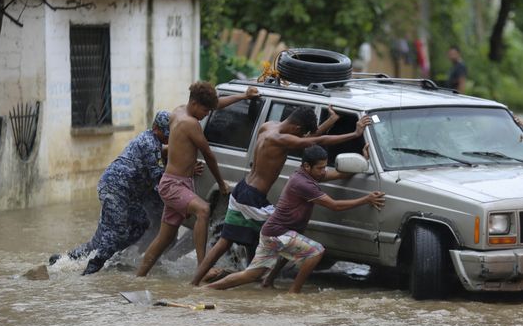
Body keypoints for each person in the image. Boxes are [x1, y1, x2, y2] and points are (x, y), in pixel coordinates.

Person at [190, 105, 372, 285]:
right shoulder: (281, 139)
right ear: (297, 129)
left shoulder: (269, 126)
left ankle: (195, 282)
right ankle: (265, 279)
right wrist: (355, 134)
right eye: (301, 134)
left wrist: (330, 121)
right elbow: (316, 141)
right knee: (289, 232)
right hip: (253, 199)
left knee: (225, 241)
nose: (301, 138)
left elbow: (308, 139)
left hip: (242, 188)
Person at [202, 145, 385, 293]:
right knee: (316, 252)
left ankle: (210, 289)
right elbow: (334, 205)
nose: (323, 171)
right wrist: (367, 199)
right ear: (307, 166)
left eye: (324, 167)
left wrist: (364, 162)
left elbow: (339, 174)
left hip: (275, 233)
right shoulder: (303, 184)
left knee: (251, 274)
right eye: (320, 168)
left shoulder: (306, 175)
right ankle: (294, 293)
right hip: (277, 234)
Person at [136, 82, 259, 276]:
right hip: (173, 184)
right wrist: (221, 183)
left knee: (164, 238)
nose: (208, 114)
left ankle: (139, 277)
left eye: (209, 109)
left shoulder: (178, 111)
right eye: (205, 110)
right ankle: (202, 270)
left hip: (176, 182)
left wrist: (243, 97)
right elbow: (208, 154)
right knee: (204, 210)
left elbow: (216, 104)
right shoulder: (190, 124)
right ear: (194, 103)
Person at [49, 110, 171, 275]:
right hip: (115, 189)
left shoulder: (151, 140)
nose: (168, 138)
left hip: (125, 192)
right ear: (156, 128)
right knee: (117, 231)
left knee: (138, 225)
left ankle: (65, 260)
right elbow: (159, 179)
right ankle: (91, 270)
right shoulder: (151, 144)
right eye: (166, 134)